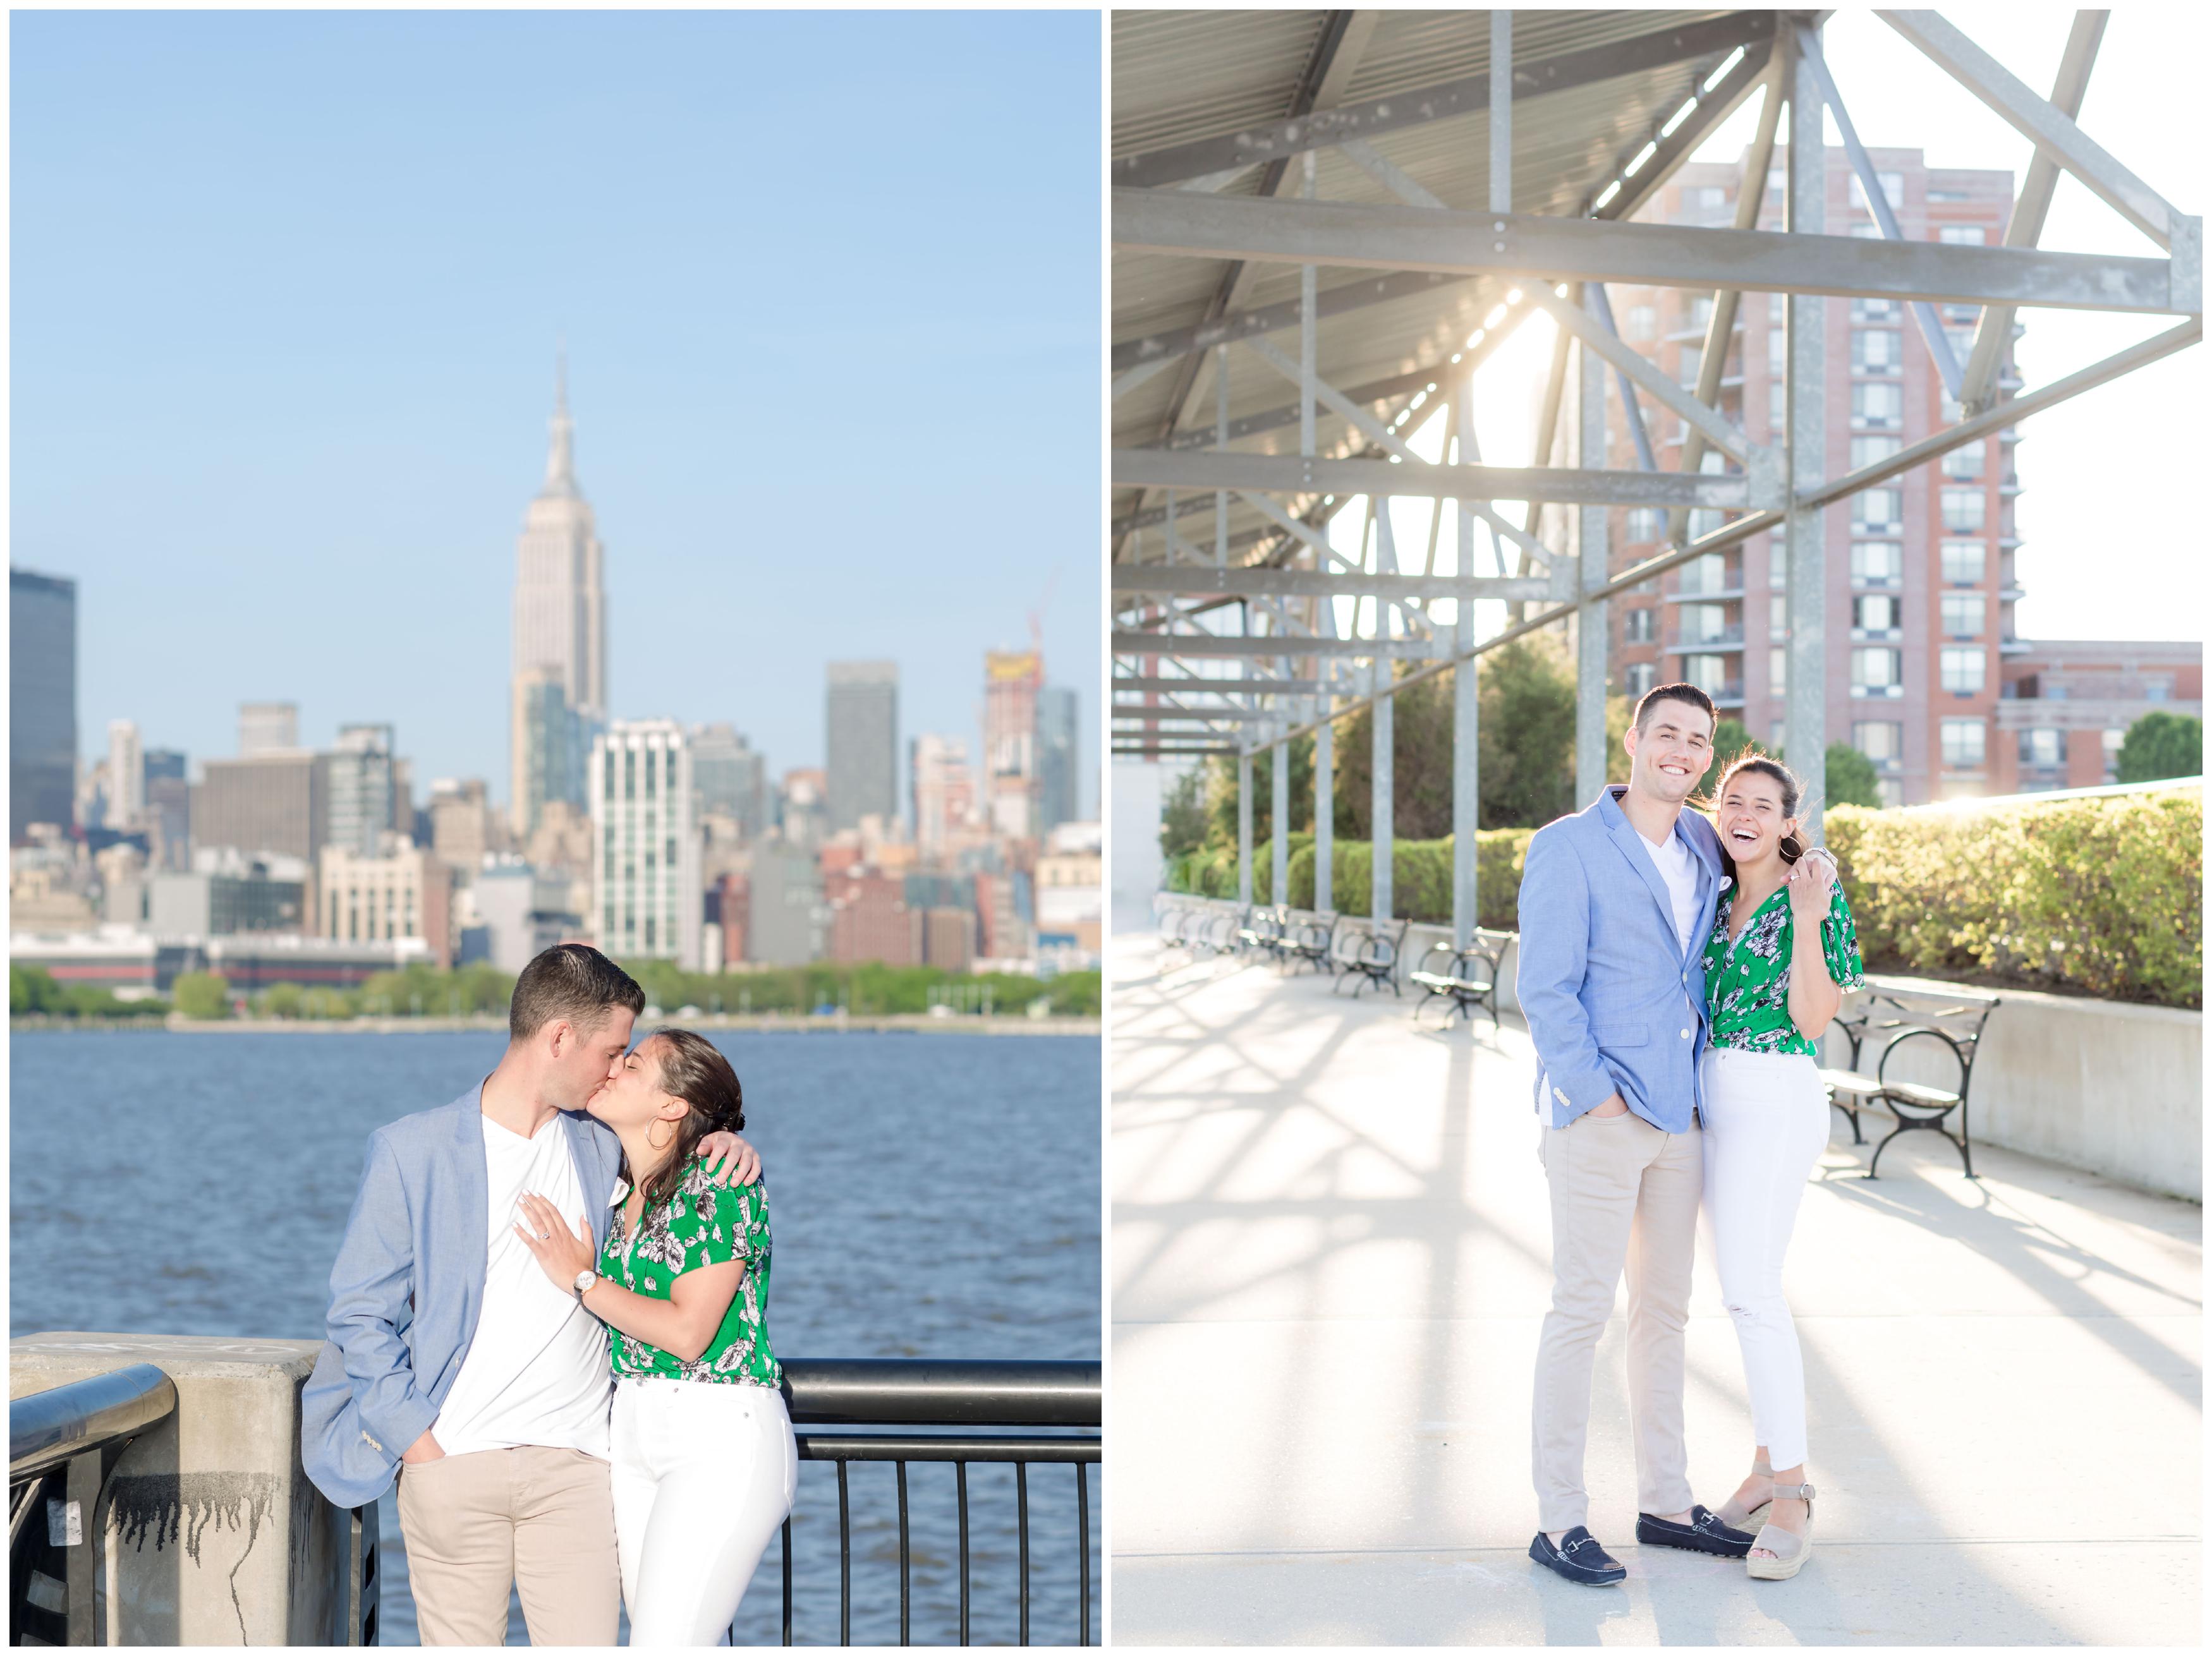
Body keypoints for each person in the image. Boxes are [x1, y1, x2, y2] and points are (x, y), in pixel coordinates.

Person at [301, 944, 759, 1645]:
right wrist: (419, 1443)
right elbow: (360, 1314)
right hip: (452, 1464)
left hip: (577, 1472)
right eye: (613, 1049)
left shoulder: (600, 1140)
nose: (616, 1067)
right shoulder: (411, 1150)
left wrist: (726, 1142)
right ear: (558, 1038)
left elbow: (674, 1144)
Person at [1516, 682, 1757, 1587]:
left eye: (1699, 741)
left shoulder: (1703, 839)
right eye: (1668, 734)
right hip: (1600, 1120)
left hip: (1681, 1118)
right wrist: (1598, 1100)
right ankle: (1559, 1519)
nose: (1684, 752)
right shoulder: (1566, 846)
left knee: (1664, 1316)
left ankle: (1665, 1499)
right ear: (1633, 740)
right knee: (1580, 1313)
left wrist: (1819, 872)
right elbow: (1544, 988)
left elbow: (1769, 860)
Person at [514, 1027, 795, 1644]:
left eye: (633, 1062)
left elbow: (688, 1331)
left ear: (672, 1105)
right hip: (636, 1433)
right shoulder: (619, 1186)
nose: (613, 1068)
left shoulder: (717, 1183)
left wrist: (582, 1278)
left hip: (718, 1435)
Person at [1697, 754, 1863, 1581]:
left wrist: (1806, 915)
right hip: (1711, 1092)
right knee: (1741, 1288)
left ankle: (1793, 1495)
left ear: (1789, 822)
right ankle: (1765, 1471)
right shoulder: (1713, 894)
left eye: (1765, 804)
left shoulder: (1817, 892)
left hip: (1773, 1090)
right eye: (1735, 799)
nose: (1747, 813)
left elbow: (1811, 1017)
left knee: (1750, 1291)